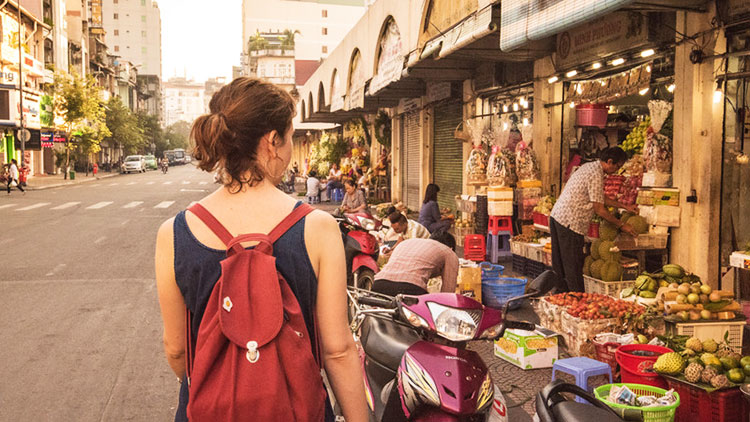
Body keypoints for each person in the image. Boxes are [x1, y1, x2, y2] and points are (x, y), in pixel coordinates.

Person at [154, 77, 367, 422]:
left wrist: (215, 382)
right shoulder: (318, 228)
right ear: (272, 141)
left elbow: (177, 350)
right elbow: (338, 350)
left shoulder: (174, 234)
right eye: (290, 137)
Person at [549, 146, 638, 293]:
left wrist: (624, 206)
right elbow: (600, 209)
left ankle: (560, 299)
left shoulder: (589, 167)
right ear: (609, 162)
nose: (617, 170)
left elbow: (598, 198)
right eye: (618, 166)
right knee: (573, 267)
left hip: (558, 217)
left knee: (560, 267)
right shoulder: (596, 174)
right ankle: (577, 301)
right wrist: (622, 225)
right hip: (571, 222)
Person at [372, 232, 459, 296]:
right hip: (410, 288)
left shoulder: (407, 242)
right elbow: (447, 293)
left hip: (378, 284)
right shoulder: (448, 252)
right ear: (451, 248)